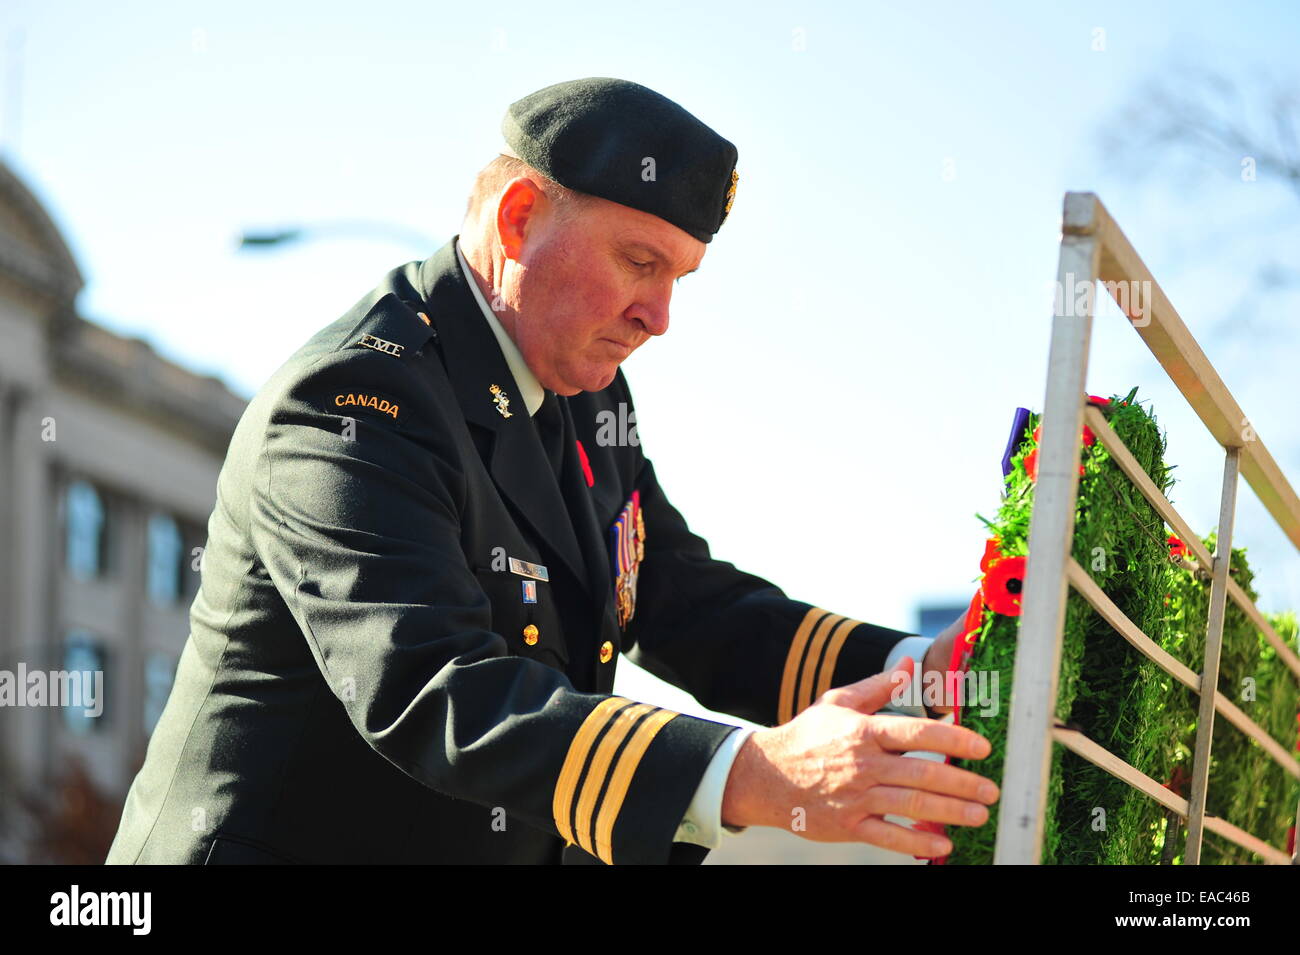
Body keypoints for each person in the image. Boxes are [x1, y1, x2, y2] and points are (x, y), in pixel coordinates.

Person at [105, 77, 997, 866]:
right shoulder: (357, 395)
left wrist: (933, 671)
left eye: (681, 277)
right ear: (519, 218)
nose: (660, 316)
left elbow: (689, 606)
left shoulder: (584, 400)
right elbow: (436, 688)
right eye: (640, 262)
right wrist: (754, 774)